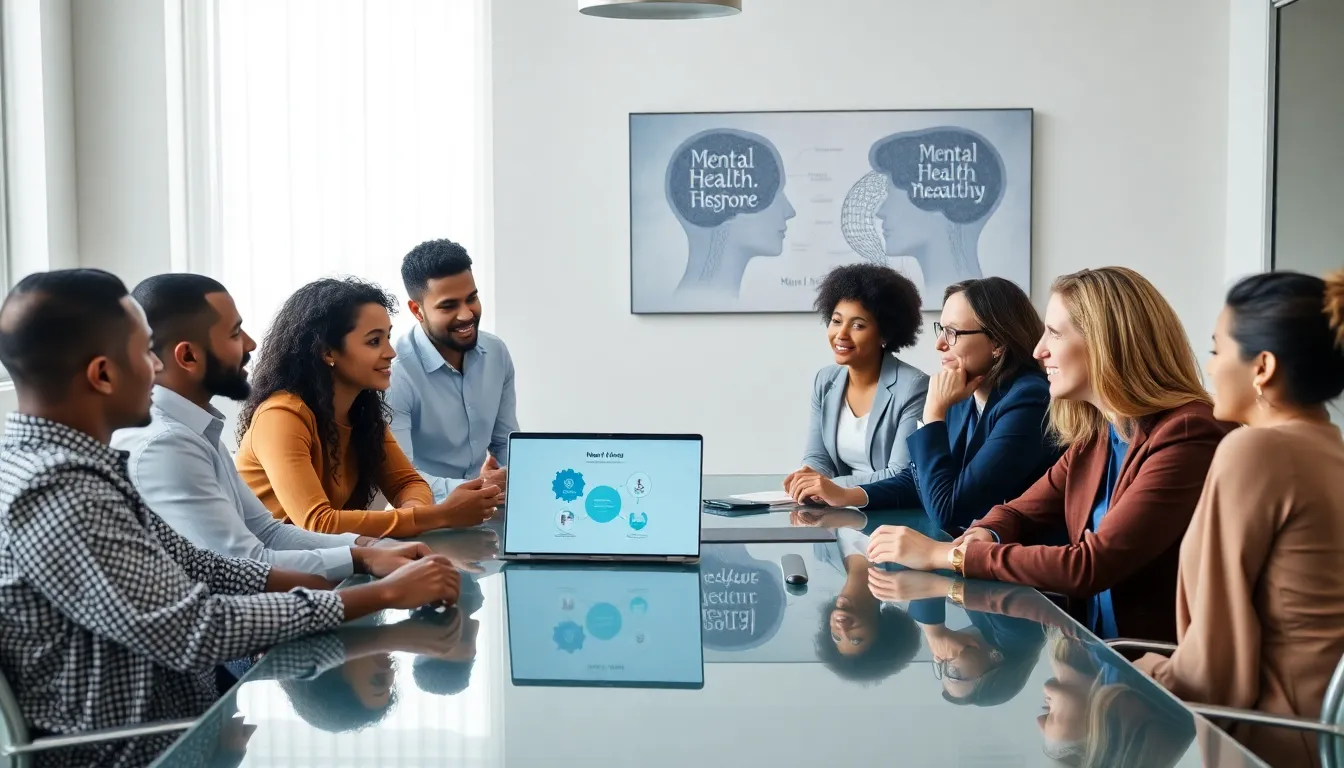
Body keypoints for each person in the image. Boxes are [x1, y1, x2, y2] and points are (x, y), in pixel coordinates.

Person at [0, 269, 463, 768]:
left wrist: (364, 562)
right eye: (144, 353)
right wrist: (382, 596)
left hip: (192, 722)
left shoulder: (77, 467)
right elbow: (195, 628)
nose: (155, 369)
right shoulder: (62, 491)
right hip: (147, 748)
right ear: (103, 375)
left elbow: (206, 565)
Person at [863, 267, 1228, 642]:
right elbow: (1018, 510)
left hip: (1153, 671)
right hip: (1095, 652)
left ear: (1105, 343)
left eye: (1054, 333)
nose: (1039, 351)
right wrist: (987, 532)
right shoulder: (1099, 432)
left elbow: (1090, 565)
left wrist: (947, 556)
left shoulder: (1187, 433)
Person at [1135, 271, 1344, 768]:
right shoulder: (1330, 447)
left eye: (1215, 349)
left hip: (1275, 740)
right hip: (1323, 732)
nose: (1207, 368)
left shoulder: (1255, 450)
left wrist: (1149, 677)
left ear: (1262, 367)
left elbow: (1216, 668)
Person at [113, 274, 425, 581]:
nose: (250, 343)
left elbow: (268, 532)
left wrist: (367, 547)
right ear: (189, 356)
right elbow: (246, 566)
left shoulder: (196, 430)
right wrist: (368, 568)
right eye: (235, 334)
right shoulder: (167, 445)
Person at [234, 277, 502, 538]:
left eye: (388, 337)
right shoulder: (282, 416)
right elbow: (317, 523)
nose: (391, 352)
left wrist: (415, 513)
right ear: (328, 352)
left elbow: (408, 483)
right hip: (276, 575)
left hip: (330, 567)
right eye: (374, 341)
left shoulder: (362, 411)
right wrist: (438, 515)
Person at [789, 277, 1056, 533]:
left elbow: (950, 510)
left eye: (953, 333)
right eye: (941, 330)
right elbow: (918, 481)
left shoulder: (1028, 400)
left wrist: (934, 413)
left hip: (1019, 563)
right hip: (971, 547)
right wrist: (846, 494)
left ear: (997, 342)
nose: (939, 344)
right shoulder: (966, 388)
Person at [387, 240, 517, 504]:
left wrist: (512, 475)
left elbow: (506, 445)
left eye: (472, 298)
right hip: (425, 517)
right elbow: (401, 478)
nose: (467, 314)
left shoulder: (496, 353)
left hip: (489, 508)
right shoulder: (394, 373)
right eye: (449, 306)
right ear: (417, 311)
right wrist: (479, 486)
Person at [785, 264, 929, 494]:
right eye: (836, 320)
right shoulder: (825, 380)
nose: (841, 334)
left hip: (891, 513)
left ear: (885, 334)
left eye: (858, 325)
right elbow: (818, 457)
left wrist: (832, 487)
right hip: (838, 513)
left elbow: (901, 475)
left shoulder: (914, 387)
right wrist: (807, 476)